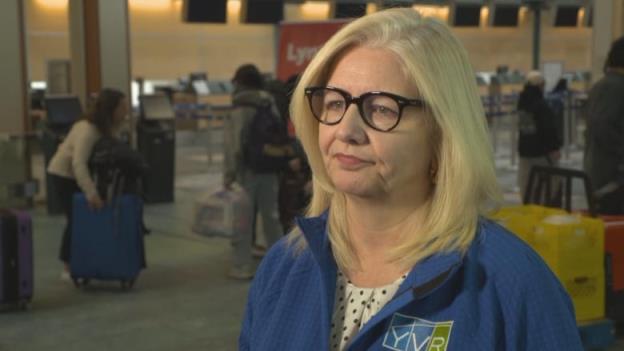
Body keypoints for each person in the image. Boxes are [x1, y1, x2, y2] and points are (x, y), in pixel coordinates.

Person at [239, 8, 582, 350]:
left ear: (442, 133)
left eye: (381, 109)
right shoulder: (284, 268)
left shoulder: (512, 285)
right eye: (333, 103)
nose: (346, 130)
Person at [47, 88, 128, 279]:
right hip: (63, 174)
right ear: (111, 109)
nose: (126, 110)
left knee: (84, 218)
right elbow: (78, 163)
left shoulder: (107, 127)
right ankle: (67, 267)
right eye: (122, 107)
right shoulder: (88, 129)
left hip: (78, 174)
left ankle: (85, 261)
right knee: (75, 219)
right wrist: (91, 194)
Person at [223, 64, 290, 279]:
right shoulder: (268, 100)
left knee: (243, 218)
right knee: (271, 217)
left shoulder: (240, 104)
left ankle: (242, 266)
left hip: (247, 170)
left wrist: (229, 172)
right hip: (269, 166)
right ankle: (281, 263)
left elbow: (234, 141)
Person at [584, 35, 624, 215]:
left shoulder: (603, 85)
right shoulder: (616, 87)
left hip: (601, 172)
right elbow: (603, 125)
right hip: (612, 177)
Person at [516, 71, 562, 200]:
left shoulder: (522, 102)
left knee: (527, 183)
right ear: (540, 85)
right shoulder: (541, 104)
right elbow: (547, 128)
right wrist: (554, 147)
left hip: (525, 151)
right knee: (550, 183)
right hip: (542, 152)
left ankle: (527, 206)